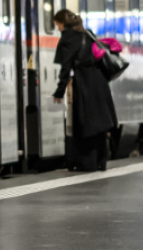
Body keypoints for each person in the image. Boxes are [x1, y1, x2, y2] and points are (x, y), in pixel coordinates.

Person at [50, 9, 118, 172]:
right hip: (99, 82)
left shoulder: (67, 39)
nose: (57, 28)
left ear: (61, 24)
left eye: (57, 24)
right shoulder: (88, 33)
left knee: (85, 123)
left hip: (84, 82)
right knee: (99, 123)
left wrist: (59, 92)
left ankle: (87, 162)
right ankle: (101, 161)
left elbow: (65, 69)